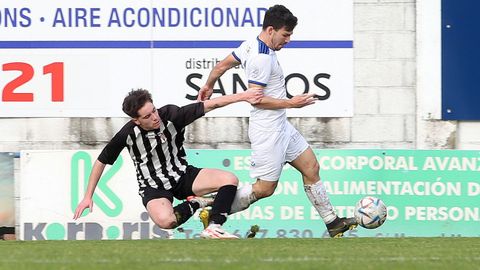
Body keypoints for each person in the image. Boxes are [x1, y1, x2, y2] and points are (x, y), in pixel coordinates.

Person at [198, 4, 357, 238]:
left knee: (311, 167)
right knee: (264, 189)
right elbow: (256, 100)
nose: (289, 40)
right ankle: (211, 211)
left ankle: (332, 223)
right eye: (286, 34)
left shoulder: (251, 44)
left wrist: (209, 85)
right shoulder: (261, 57)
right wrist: (292, 103)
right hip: (267, 129)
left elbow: (222, 65)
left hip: (281, 125)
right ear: (271, 30)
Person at [74, 88, 263, 239]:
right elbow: (102, 161)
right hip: (153, 186)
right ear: (136, 120)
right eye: (147, 116)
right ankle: (197, 203)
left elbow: (210, 105)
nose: (155, 117)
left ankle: (214, 227)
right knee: (166, 221)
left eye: (154, 111)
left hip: (182, 175)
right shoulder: (127, 134)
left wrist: (244, 96)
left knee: (229, 179)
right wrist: (88, 196)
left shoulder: (172, 114)